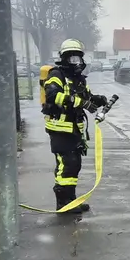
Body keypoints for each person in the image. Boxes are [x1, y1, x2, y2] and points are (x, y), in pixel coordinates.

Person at [42, 39, 109, 213]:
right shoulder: (56, 74)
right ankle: (63, 203)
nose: (76, 62)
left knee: (74, 165)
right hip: (60, 129)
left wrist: (96, 99)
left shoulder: (78, 79)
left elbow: (85, 97)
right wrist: (81, 103)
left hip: (73, 129)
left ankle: (71, 201)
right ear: (64, 58)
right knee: (67, 164)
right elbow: (52, 95)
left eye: (78, 58)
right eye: (71, 58)